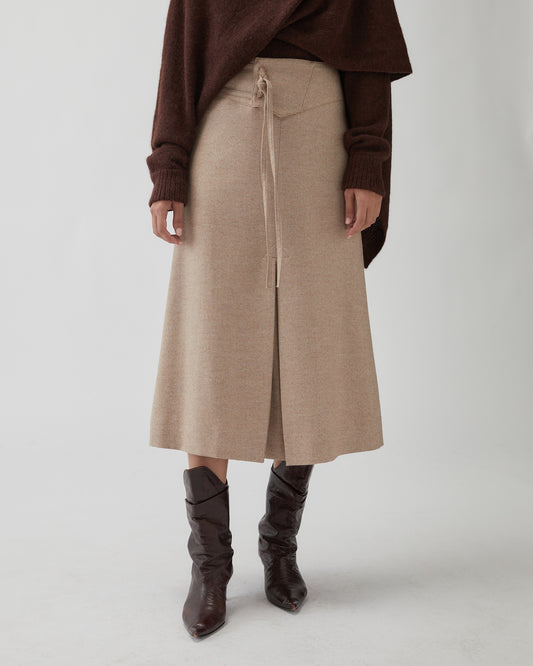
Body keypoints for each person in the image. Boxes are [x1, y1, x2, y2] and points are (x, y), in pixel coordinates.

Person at [145, 0, 412, 639]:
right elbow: (181, 56)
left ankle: (280, 544)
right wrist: (169, 166)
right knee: (214, 342)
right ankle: (210, 565)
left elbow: (369, 57)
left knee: (310, 339)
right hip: (223, 131)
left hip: (321, 134)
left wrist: (368, 160)